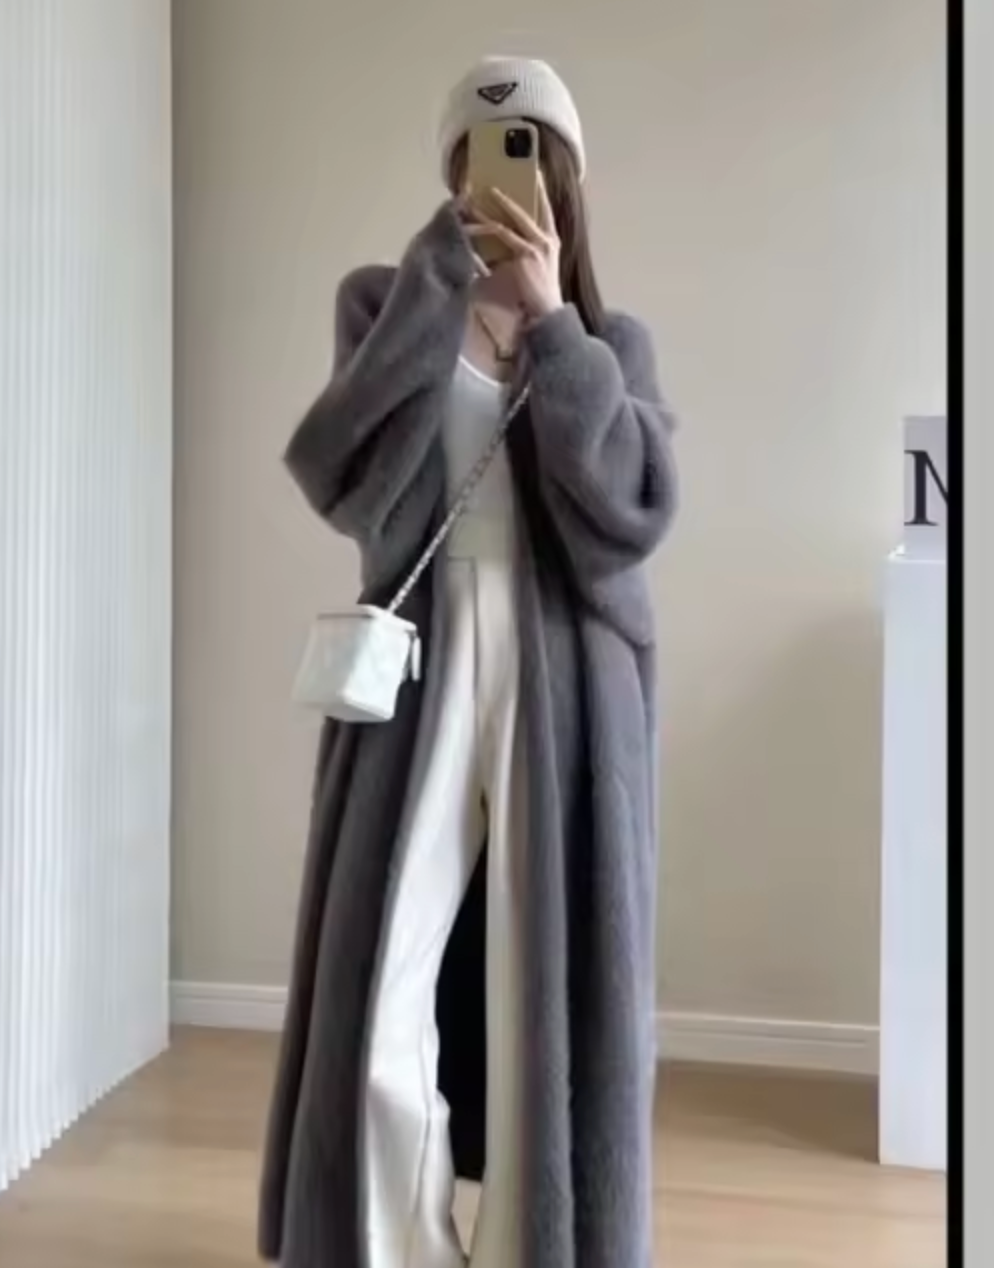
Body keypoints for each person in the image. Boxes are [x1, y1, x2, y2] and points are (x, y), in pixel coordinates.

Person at [259, 55, 679, 1268]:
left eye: (531, 156)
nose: (506, 179)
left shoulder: (609, 342)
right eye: (480, 158)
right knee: (380, 984)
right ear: (451, 172)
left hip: (568, 691)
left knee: (538, 994)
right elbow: (339, 475)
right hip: (415, 669)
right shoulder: (384, 304)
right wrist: (439, 284)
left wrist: (551, 326)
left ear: (567, 179)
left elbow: (629, 514)